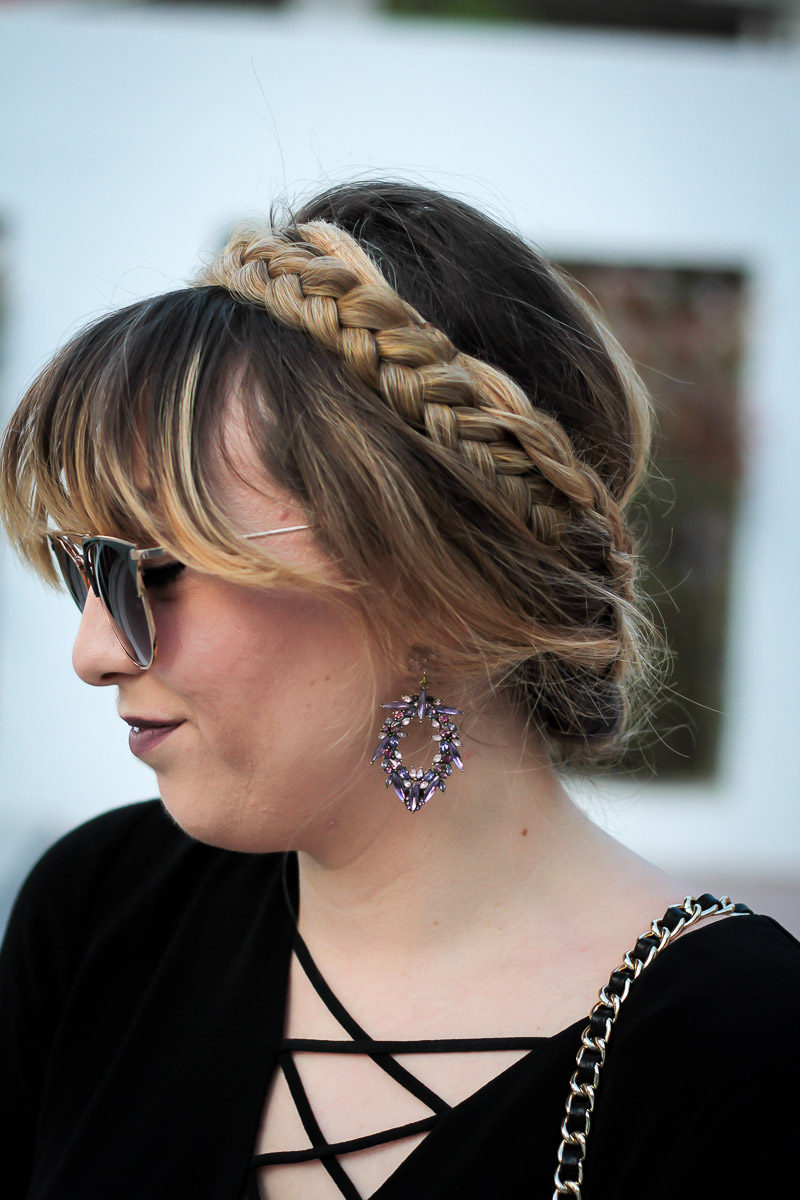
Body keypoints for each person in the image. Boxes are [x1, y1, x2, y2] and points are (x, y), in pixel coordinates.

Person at [0, 180, 797, 1200]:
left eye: (150, 568)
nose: (95, 651)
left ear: (424, 582)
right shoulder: (105, 915)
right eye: (84, 569)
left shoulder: (736, 1058)